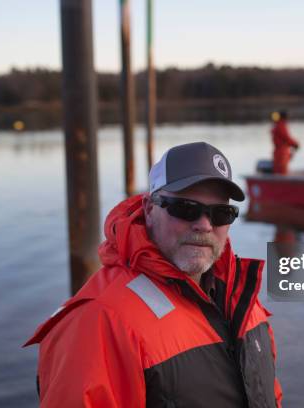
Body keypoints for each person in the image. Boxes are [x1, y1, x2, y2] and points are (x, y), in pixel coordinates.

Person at [24, 142, 283, 407]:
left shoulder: (240, 295)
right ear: (149, 209)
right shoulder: (99, 321)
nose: (204, 225)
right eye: (185, 208)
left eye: (221, 213)